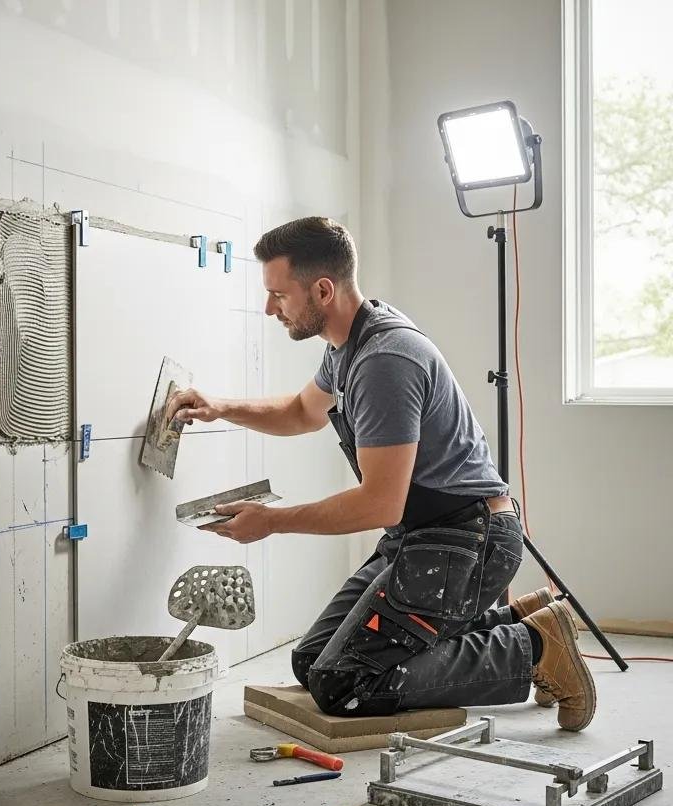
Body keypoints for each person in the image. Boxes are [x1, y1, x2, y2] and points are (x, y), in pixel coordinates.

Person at [166, 217, 595, 730]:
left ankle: (534, 646)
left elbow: (379, 504)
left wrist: (271, 521)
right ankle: (517, 619)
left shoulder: (384, 361)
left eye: (279, 294)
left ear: (322, 290)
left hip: (467, 539)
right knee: (312, 663)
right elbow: (301, 412)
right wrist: (221, 406)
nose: (269, 308)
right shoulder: (348, 342)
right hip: (426, 537)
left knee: (346, 685)